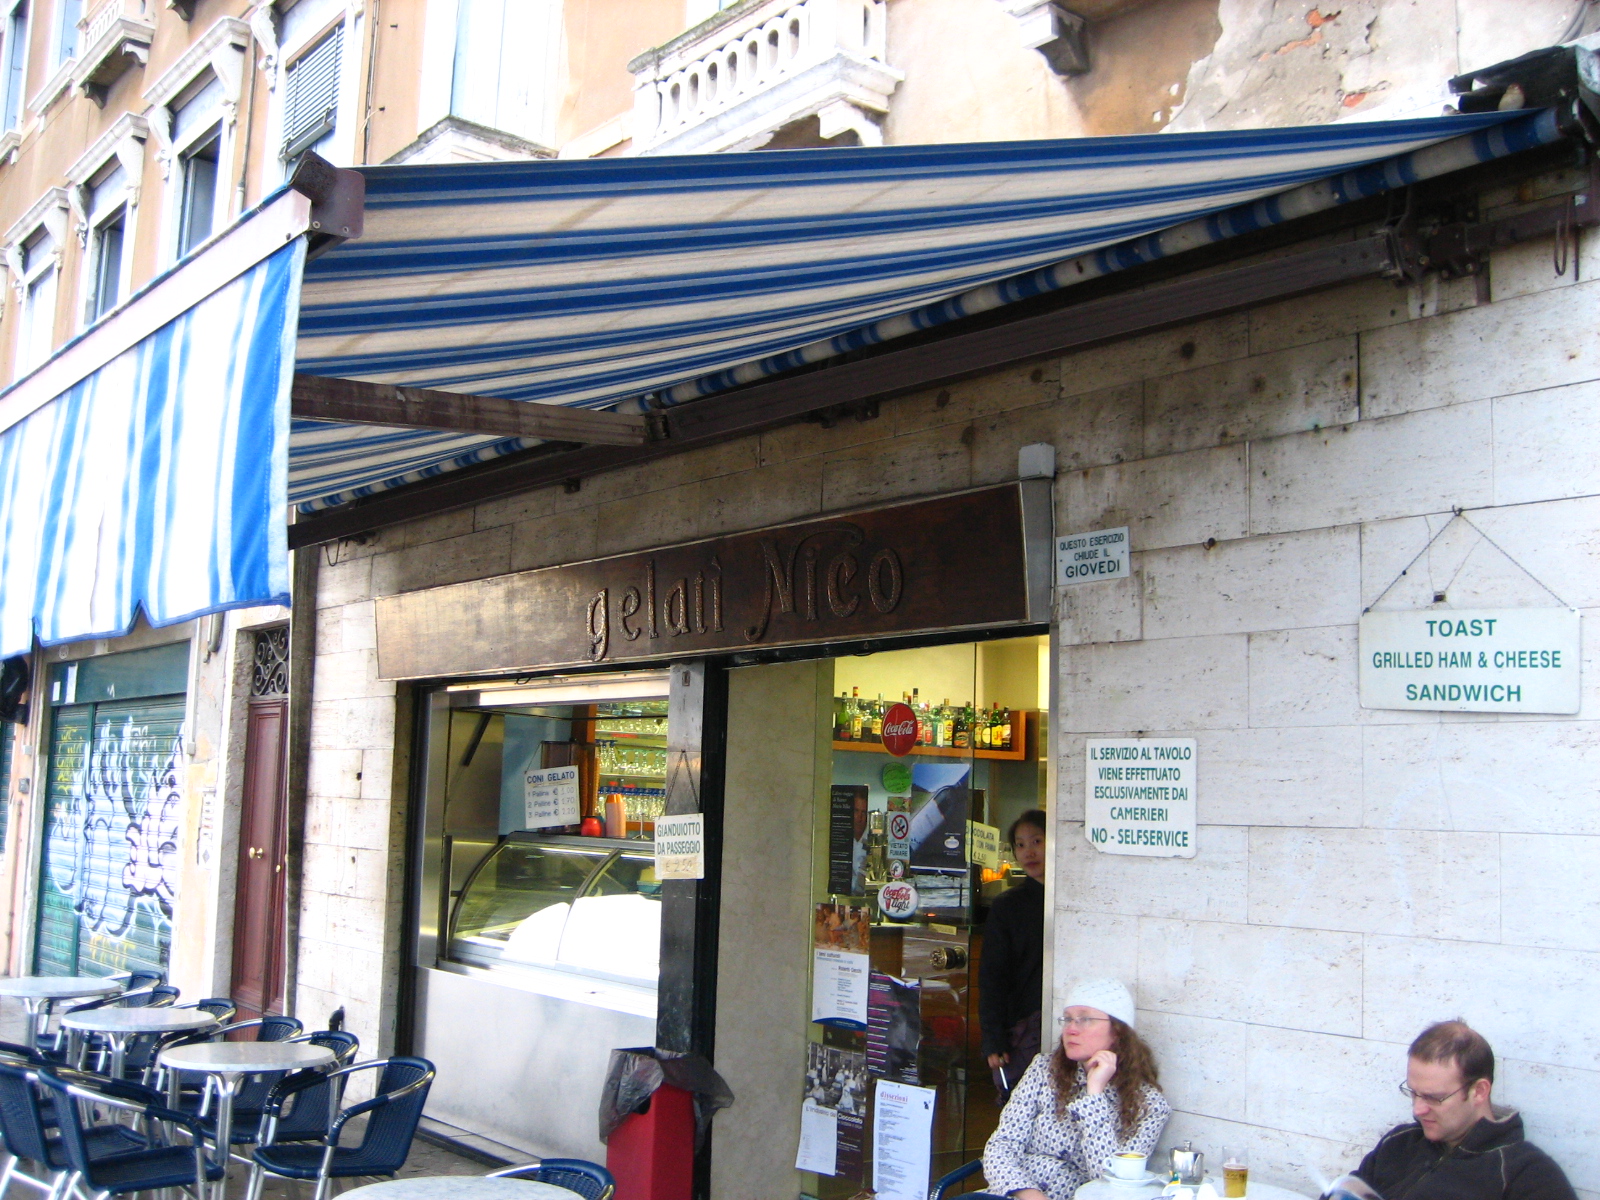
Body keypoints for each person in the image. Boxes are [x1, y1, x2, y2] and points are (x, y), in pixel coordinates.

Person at [982, 978, 1170, 1200]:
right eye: (1068, 1019)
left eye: (1085, 1019)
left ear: (1118, 1031)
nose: (1071, 1029)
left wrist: (1095, 1093)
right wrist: (1030, 1195)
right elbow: (1001, 1146)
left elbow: (1110, 1183)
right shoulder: (1044, 1070)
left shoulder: (1149, 1106)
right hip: (1012, 1193)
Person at [1352, 1020, 1576, 1200]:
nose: (1418, 1110)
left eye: (1434, 1097)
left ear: (1479, 1091)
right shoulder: (1398, 1143)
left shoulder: (1526, 1174)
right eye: (1413, 1093)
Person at [981, 810, 1046, 1096]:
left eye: (1037, 841)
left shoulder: (1077, 897)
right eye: (1020, 845)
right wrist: (993, 1039)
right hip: (1023, 1026)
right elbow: (992, 976)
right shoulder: (1008, 906)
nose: (1028, 852)